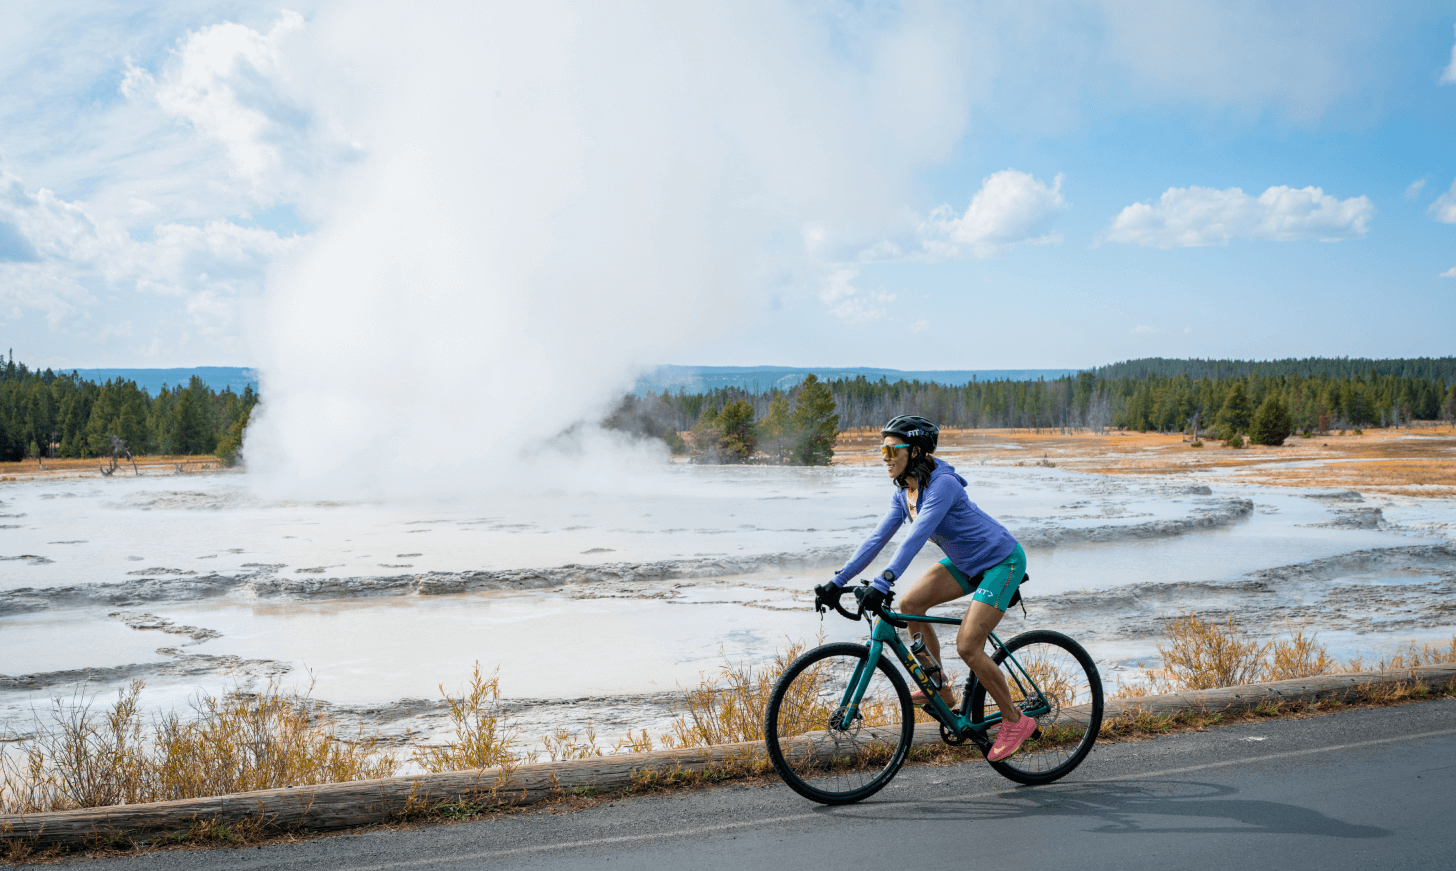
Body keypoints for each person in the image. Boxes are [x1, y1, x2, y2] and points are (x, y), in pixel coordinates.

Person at [813, 415, 1036, 762]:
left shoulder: (943, 485)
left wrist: (884, 579)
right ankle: (941, 688)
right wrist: (837, 581)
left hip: (1001, 561)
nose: (884, 457)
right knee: (910, 603)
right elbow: (877, 539)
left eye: (891, 449)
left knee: (968, 646)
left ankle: (1014, 720)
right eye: (881, 450)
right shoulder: (905, 492)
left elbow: (915, 537)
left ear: (915, 451)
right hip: (966, 563)